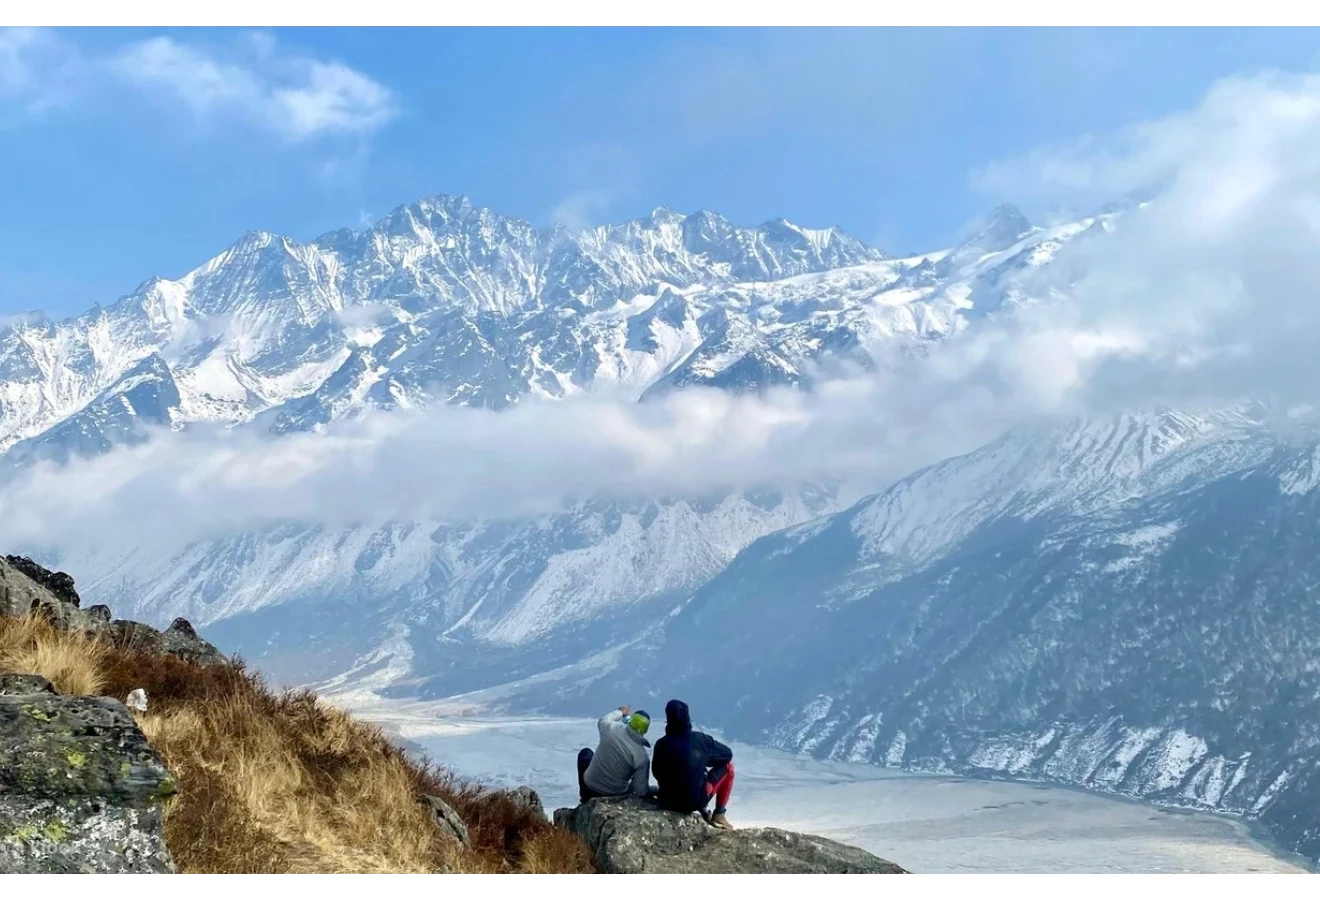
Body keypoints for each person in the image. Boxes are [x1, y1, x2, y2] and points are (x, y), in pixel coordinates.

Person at [651, 698, 735, 829]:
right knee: (728, 768)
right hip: (693, 802)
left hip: (666, 801)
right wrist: (701, 760)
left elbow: (656, 772)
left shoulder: (661, 744)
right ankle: (719, 815)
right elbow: (727, 755)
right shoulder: (700, 740)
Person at [576, 705, 654, 803]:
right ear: (645, 730)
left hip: (590, 786)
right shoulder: (642, 757)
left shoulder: (611, 729)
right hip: (615, 795)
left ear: (631, 721)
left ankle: (585, 798)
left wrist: (621, 712)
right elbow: (641, 791)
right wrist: (656, 790)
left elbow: (603, 720)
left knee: (585, 754)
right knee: (636, 776)